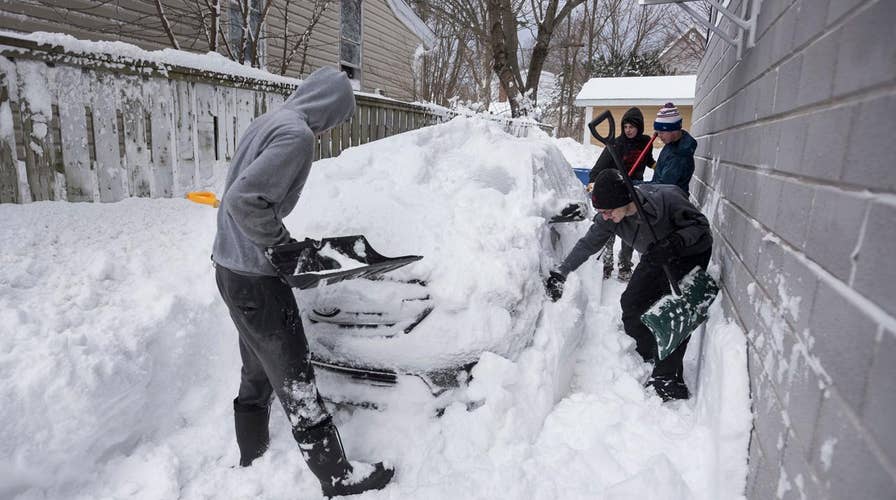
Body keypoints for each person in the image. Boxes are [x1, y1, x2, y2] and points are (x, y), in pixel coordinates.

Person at [212, 66, 394, 497]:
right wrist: (283, 248)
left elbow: (238, 191)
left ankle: (252, 454)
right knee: (295, 377)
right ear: (330, 107)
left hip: (229, 268)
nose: (335, 126)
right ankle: (337, 477)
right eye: (340, 116)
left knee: (256, 368)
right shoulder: (297, 136)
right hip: (255, 276)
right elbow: (244, 200)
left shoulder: (268, 121)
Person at [544, 169, 712, 401]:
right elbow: (587, 245)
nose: (605, 217)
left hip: (689, 252)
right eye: (601, 212)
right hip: (655, 253)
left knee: (678, 310)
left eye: (608, 211)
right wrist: (561, 272)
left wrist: (675, 243)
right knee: (632, 301)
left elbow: (702, 227)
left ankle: (667, 378)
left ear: (625, 201)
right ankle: (648, 349)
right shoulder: (609, 219)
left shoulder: (667, 198)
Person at [586, 107, 655, 281]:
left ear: (639, 127)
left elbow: (649, 160)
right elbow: (598, 167)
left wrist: (659, 167)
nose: (628, 130)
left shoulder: (646, 142)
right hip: (616, 191)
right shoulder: (616, 144)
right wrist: (593, 182)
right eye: (625, 127)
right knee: (609, 226)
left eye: (632, 127)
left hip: (634, 191)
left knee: (631, 231)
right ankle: (606, 264)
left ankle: (625, 266)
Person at [646, 102, 697, 194]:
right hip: (664, 198)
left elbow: (663, 186)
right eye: (657, 132)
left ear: (674, 129)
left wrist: (635, 185)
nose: (658, 135)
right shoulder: (671, 144)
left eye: (662, 132)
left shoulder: (680, 154)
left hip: (670, 203)